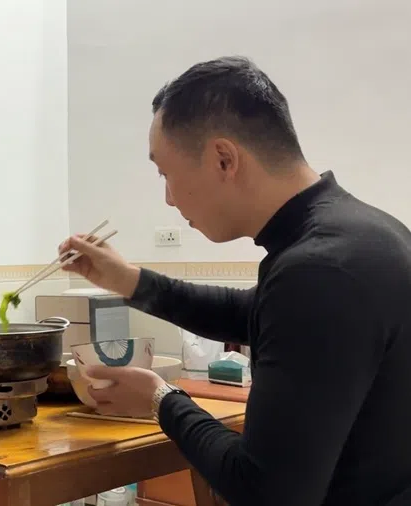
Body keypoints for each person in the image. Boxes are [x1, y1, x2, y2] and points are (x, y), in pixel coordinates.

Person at [60, 56, 411, 506]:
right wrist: (127, 279)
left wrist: (162, 399)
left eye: (165, 174)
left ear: (224, 159)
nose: (168, 197)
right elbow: (249, 312)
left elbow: (263, 491)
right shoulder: (365, 235)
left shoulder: (319, 271)